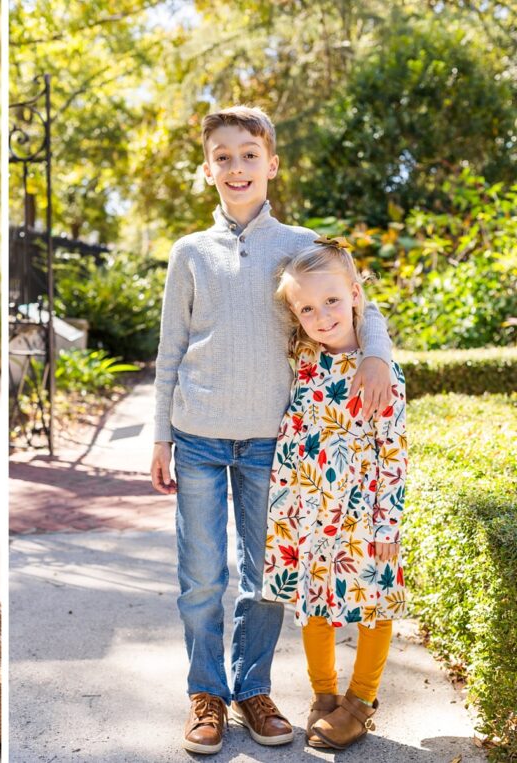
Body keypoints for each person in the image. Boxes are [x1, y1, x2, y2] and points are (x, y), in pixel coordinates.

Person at [149, 105, 396, 755]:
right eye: (223, 156)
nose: (236, 167)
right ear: (208, 168)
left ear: (271, 164)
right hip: (197, 434)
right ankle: (206, 691)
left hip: (273, 443)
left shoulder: (300, 244)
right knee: (202, 575)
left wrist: (377, 354)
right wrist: (159, 437)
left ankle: (252, 687)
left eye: (248, 154)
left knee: (266, 577)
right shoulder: (189, 253)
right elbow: (170, 348)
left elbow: (362, 306)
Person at [263, 242, 407, 750]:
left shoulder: (380, 371)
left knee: (373, 603)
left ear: (353, 294)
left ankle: (361, 701)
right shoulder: (303, 356)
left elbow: (393, 451)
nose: (320, 317)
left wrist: (388, 523)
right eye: (306, 308)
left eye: (330, 302)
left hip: (362, 512)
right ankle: (324, 697)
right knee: (313, 602)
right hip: (307, 510)